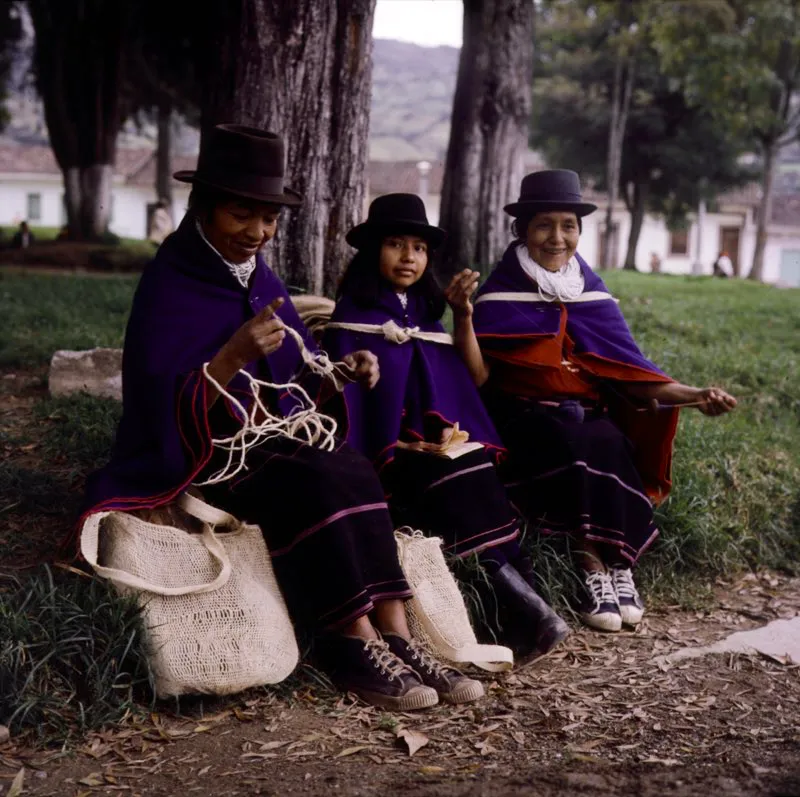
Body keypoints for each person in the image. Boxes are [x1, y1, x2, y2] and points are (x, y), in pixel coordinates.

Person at [80, 124, 482, 709]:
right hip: (206, 452)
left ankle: (397, 629)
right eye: (242, 214)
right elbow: (158, 397)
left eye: (268, 218)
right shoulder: (172, 280)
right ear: (204, 207)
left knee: (351, 467)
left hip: (265, 436)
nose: (257, 232)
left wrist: (341, 375)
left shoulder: (257, 274)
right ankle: (353, 639)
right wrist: (234, 354)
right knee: (315, 480)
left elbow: (295, 374)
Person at [456, 170, 737, 632]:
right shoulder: (497, 294)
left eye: (568, 225)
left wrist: (695, 394)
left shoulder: (591, 292)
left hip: (587, 419)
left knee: (607, 439)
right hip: (525, 420)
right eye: (545, 224)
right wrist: (464, 318)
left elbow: (632, 374)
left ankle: (619, 564)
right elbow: (478, 375)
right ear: (523, 229)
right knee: (575, 443)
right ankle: (592, 567)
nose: (558, 237)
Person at [321, 194, 569, 659]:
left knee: (474, 468)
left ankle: (529, 610)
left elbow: (471, 380)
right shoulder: (353, 319)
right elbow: (345, 404)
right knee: (455, 480)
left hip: (434, 452)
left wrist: (464, 315)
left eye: (418, 247)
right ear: (373, 250)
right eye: (395, 244)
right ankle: (529, 613)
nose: (409, 256)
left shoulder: (426, 318)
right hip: (385, 461)